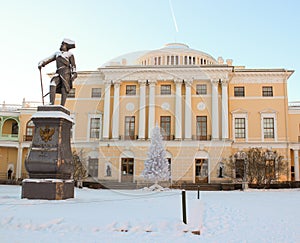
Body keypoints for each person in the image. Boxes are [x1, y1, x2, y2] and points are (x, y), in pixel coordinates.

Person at [38, 39, 77, 106]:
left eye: (63, 44)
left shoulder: (70, 55)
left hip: (66, 73)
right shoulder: (57, 53)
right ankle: (51, 103)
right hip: (58, 72)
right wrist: (42, 63)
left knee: (64, 89)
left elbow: (73, 66)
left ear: (66, 46)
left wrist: (74, 73)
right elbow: (49, 59)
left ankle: (62, 105)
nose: (61, 45)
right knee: (52, 84)